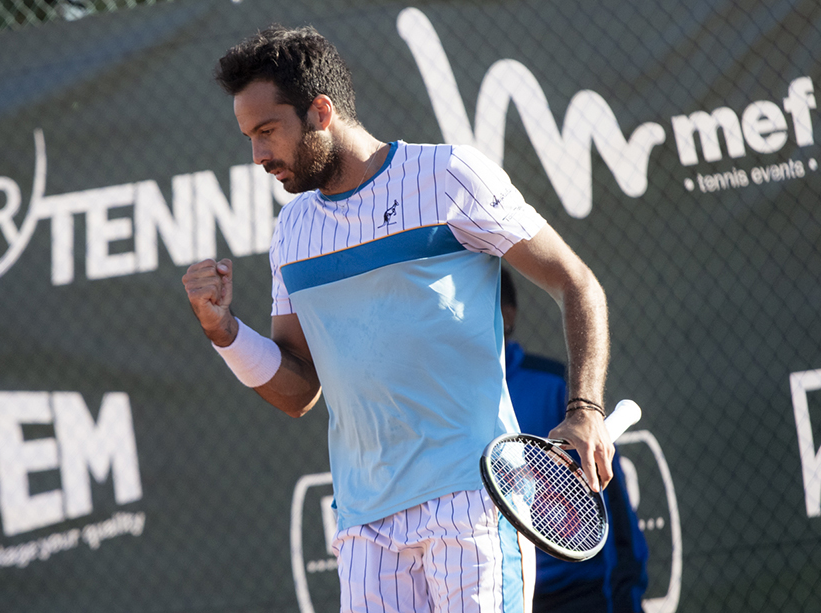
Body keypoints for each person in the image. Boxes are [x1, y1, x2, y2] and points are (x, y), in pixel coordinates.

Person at [182, 24, 613, 613]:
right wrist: (224, 333)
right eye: (248, 137)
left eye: (267, 132)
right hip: (366, 528)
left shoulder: (448, 176)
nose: (258, 156)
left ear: (320, 111)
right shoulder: (292, 232)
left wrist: (585, 410)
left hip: (476, 504)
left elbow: (576, 282)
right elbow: (299, 391)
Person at [500, 267, 648, 613]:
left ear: (507, 316)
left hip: (579, 593)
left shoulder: (556, 387)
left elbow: (616, 520)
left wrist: (624, 597)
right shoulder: (444, 406)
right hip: (499, 587)